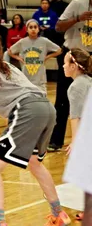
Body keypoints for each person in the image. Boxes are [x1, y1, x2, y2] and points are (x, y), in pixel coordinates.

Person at [0, 32, 71, 226]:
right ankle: (59, 214)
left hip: (27, 110)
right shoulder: (8, 66)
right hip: (46, 107)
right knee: (34, 163)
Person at [48, 0, 92, 151]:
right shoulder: (77, 4)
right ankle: (56, 140)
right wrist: (78, 18)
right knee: (62, 99)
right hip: (73, 55)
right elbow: (58, 27)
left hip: (90, 56)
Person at [62, 49, 92, 221]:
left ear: (73, 66)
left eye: (66, 63)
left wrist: (75, 142)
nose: (63, 66)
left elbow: (75, 117)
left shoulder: (75, 86)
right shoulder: (88, 81)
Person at [8, 19, 62, 92]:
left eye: (35, 27)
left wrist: (47, 57)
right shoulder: (22, 42)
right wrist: (19, 58)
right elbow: (10, 51)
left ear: (38, 29)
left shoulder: (44, 41)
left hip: (40, 78)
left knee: (42, 99)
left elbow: (59, 50)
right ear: (27, 30)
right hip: (26, 77)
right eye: (30, 27)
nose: (33, 29)